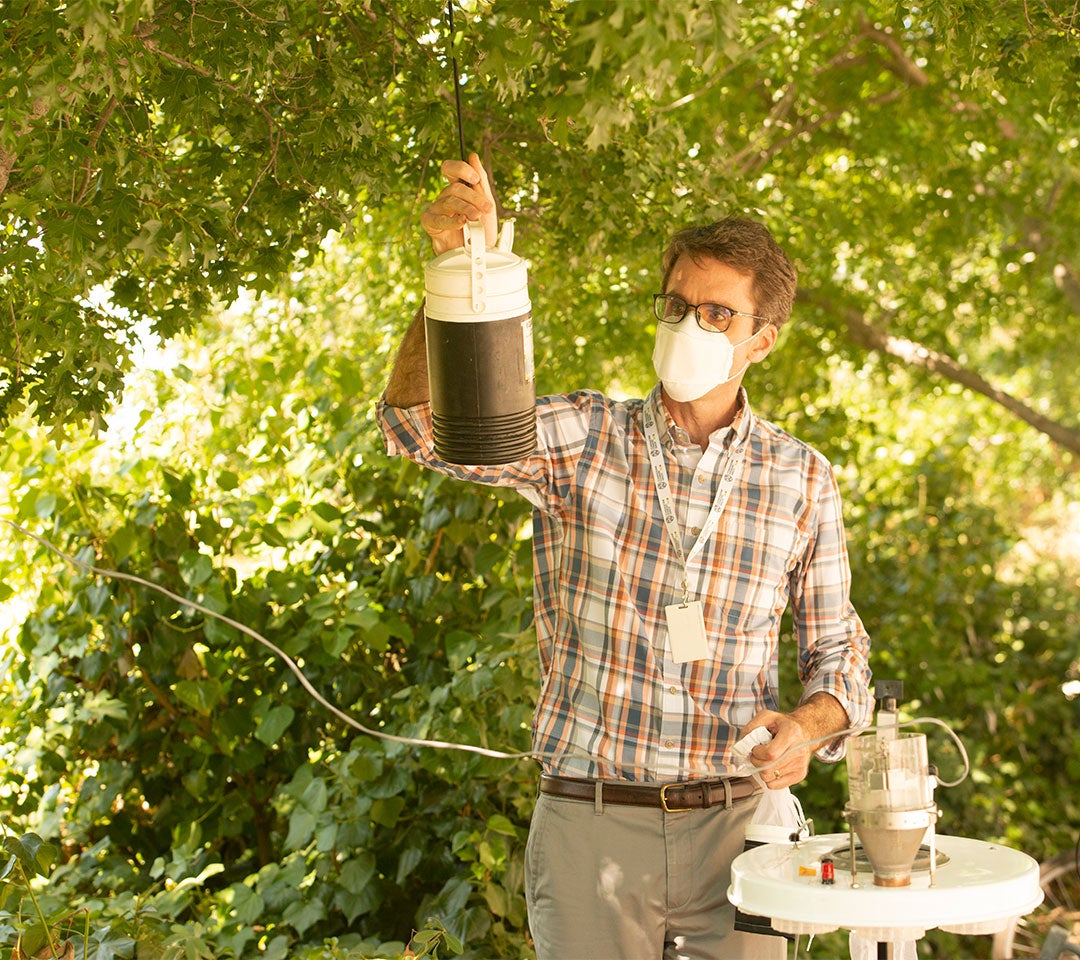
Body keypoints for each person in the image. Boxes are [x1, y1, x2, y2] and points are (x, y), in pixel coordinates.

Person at [377, 152, 873, 960]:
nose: (688, 325)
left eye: (717, 313)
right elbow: (416, 429)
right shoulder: (583, 436)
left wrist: (809, 728)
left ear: (763, 340)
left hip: (740, 832)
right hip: (592, 824)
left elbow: (839, 655)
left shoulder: (801, 477)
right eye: (677, 305)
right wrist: (455, 270)